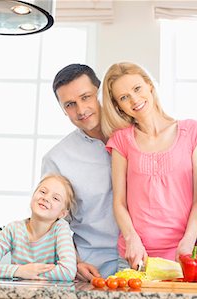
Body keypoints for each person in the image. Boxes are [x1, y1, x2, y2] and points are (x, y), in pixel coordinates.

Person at [101, 62, 197, 269]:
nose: (134, 99)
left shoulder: (193, 132)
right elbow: (119, 202)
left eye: (137, 88)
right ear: (118, 106)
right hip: (135, 256)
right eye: (123, 97)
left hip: (184, 254)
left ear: (150, 86)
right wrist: (132, 238)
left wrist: (188, 240)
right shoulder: (121, 141)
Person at [41, 64, 119, 281]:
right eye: (70, 104)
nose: (81, 109)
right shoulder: (56, 159)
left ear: (101, 93)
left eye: (86, 97)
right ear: (63, 110)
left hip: (149, 267)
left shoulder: (138, 136)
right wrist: (74, 263)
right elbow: (52, 223)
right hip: (93, 272)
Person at [0, 174, 77, 281]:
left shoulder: (60, 228)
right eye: (43, 192)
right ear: (33, 196)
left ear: (62, 213)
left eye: (55, 198)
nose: (46, 198)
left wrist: (30, 273)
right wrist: (20, 271)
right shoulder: (13, 229)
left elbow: (68, 271)